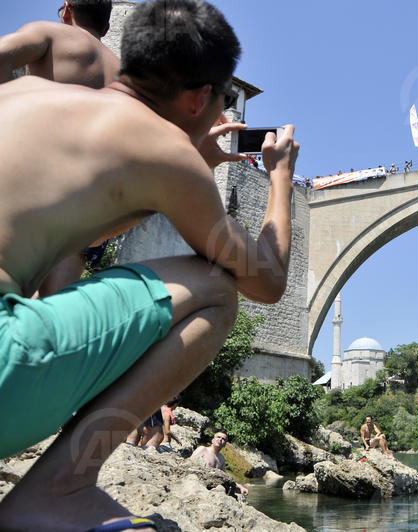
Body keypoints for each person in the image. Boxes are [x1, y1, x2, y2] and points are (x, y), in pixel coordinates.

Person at [0, 1, 296, 530]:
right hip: (5, 372)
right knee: (216, 289)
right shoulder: (165, 152)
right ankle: (60, 490)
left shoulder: (21, 92)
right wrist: (279, 179)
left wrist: (183, 165)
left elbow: (75, 221)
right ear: (202, 97)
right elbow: (268, 281)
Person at [0, 0, 122, 298]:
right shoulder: (123, 73)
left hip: (37, 179)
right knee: (48, 308)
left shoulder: (53, 35)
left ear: (66, 11)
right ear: (106, 27)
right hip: (90, 203)